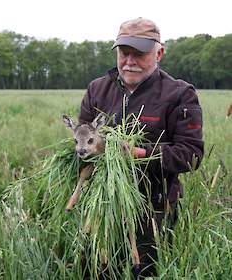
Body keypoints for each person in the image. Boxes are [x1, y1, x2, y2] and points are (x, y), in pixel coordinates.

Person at [78, 17, 204, 277]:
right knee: (96, 270)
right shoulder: (97, 90)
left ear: (159, 53)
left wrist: (142, 154)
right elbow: (82, 138)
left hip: (154, 210)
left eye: (140, 54)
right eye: (125, 53)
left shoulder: (180, 94)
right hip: (101, 206)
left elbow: (191, 154)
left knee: (145, 272)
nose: (130, 62)